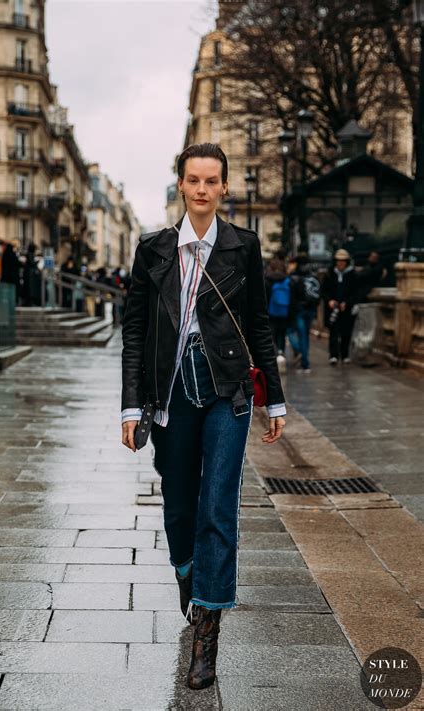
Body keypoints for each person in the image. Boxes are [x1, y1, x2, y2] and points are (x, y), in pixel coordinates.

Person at [121, 143, 286, 691]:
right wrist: (130, 404)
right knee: (178, 504)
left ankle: (206, 634)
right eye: (192, 179)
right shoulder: (154, 249)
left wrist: (276, 399)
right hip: (171, 385)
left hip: (226, 387)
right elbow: (137, 332)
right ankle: (192, 580)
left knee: (218, 503)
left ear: (223, 188)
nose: (201, 189)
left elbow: (259, 322)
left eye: (211, 181)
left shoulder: (242, 247)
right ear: (180, 185)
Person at [287, 254, 321, 373]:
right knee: (305, 335)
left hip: (299, 309)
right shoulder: (314, 277)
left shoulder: (293, 277)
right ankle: (305, 362)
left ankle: (304, 362)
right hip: (310, 309)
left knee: (299, 334)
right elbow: (318, 296)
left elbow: (291, 296)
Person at [322, 248, 357, 365]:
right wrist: (330, 301)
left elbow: (355, 292)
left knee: (346, 332)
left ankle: (345, 354)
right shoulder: (330, 274)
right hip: (333, 308)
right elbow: (324, 290)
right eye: (338, 260)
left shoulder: (352, 274)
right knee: (333, 332)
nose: (341, 263)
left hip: (346, 308)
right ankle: (333, 355)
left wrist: (347, 302)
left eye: (343, 261)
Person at [265, 257, 292, 373]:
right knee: (282, 333)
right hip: (284, 312)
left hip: (271, 312)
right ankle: (281, 353)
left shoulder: (267, 280)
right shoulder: (287, 280)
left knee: (272, 334)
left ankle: (274, 356)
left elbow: (264, 297)